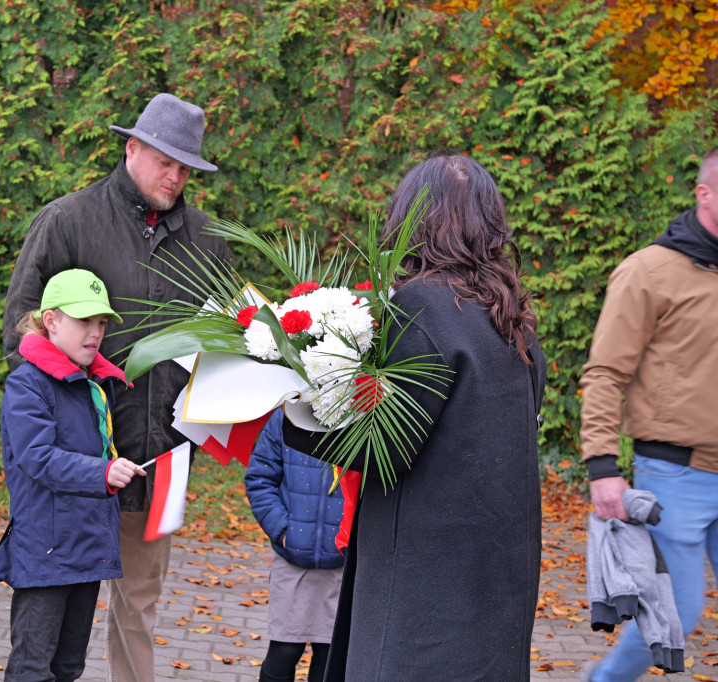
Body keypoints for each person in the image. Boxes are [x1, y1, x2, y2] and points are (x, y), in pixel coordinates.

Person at [282, 154, 546, 681]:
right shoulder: (512, 314)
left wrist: (298, 412)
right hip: (497, 566)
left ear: (413, 217)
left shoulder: (422, 306)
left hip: (428, 577)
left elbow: (388, 449)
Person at [2, 93, 229, 682]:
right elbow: (21, 334)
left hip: (161, 461)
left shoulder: (210, 241)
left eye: (186, 167)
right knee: (53, 625)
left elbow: (227, 346)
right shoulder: (68, 221)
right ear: (131, 149)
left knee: (139, 610)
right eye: (164, 161)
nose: (175, 177)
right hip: (72, 468)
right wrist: (69, 423)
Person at [579, 145, 718, 682]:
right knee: (676, 614)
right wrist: (602, 467)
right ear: (704, 193)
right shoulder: (648, 272)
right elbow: (605, 374)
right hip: (674, 475)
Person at [0, 268, 147, 681]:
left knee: (69, 666)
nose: (95, 332)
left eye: (102, 322)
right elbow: (37, 457)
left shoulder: (93, 382)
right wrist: (103, 472)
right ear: (51, 321)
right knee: (32, 667)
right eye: (84, 321)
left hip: (89, 548)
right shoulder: (27, 383)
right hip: (47, 550)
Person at [244, 410, 345, 682]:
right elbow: (260, 479)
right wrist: (285, 531)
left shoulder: (364, 420)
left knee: (330, 657)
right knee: (284, 650)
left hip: (343, 567)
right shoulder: (287, 418)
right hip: (293, 560)